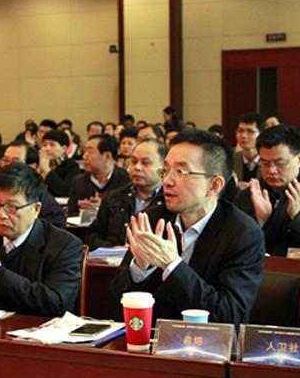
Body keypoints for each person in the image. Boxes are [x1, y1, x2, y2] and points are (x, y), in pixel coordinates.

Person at [110, 130, 265, 326]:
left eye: (181, 172)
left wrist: (172, 265)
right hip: (152, 339)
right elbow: (116, 301)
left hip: (207, 343)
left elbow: (228, 314)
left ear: (214, 185)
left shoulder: (243, 234)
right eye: (165, 171)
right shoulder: (153, 219)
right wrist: (139, 269)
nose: (167, 181)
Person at [0, 163, 83, 316]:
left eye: (12, 207)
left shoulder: (64, 246)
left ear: (36, 209)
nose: (1, 214)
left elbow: (56, 304)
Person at [234, 125, 300, 255]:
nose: (271, 170)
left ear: (299, 160)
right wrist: (259, 221)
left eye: (280, 163)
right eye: (265, 163)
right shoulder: (250, 194)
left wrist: (298, 216)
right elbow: (233, 244)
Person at [87, 139, 166, 250]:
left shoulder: (170, 201)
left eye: (145, 163)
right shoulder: (113, 197)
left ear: (163, 168)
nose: (137, 167)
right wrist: (114, 249)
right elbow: (92, 236)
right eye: (133, 161)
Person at [0, 140, 65, 228]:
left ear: (33, 167)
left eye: (15, 162)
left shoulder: (50, 210)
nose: (8, 167)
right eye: (5, 161)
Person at [67, 134, 130, 216]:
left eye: (90, 152)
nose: (84, 156)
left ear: (107, 156)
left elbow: (127, 214)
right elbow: (71, 215)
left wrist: (102, 207)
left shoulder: (126, 181)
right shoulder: (79, 182)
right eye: (85, 151)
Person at [37, 129, 81, 197]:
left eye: (52, 145)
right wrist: (38, 171)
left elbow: (65, 191)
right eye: (45, 145)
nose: (47, 148)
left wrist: (47, 170)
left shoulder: (72, 166)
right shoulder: (37, 163)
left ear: (64, 148)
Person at [233, 113, 263, 188]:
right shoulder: (231, 159)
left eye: (250, 131)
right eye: (240, 131)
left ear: (261, 134)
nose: (243, 136)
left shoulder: (268, 160)